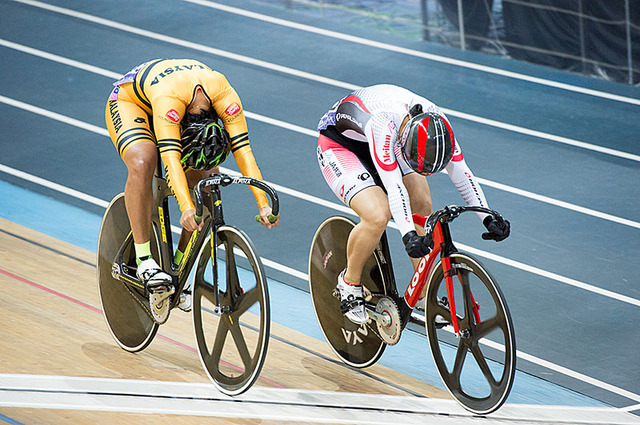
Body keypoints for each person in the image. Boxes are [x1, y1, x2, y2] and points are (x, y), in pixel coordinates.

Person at [316, 84, 509, 324]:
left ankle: (422, 293)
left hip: (393, 142)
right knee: (378, 215)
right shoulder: (383, 124)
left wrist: (487, 218)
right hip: (342, 146)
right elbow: (395, 187)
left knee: (423, 204)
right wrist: (409, 236)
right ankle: (349, 283)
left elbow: (462, 174)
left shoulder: (439, 126)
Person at [105, 59, 279, 309]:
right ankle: (144, 260)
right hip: (131, 102)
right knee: (144, 160)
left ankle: (180, 266)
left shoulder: (225, 96)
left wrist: (263, 205)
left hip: (177, 100)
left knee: (208, 180)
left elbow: (244, 151)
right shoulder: (170, 101)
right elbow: (171, 158)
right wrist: (186, 207)